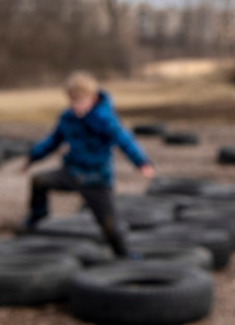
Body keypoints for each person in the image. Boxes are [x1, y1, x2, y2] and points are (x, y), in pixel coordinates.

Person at [20, 71, 155, 258]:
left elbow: (124, 140)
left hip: (96, 178)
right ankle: (37, 219)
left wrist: (142, 162)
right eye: (73, 101)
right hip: (72, 172)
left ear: (92, 98)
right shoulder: (67, 118)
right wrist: (32, 157)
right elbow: (53, 141)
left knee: (110, 226)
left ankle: (125, 256)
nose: (77, 106)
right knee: (38, 181)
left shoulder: (104, 119)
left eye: (81, 101)